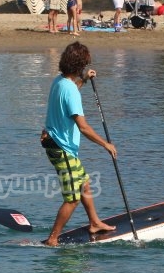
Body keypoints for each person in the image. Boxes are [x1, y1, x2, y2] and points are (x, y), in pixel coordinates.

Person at [41, 42, 117, 246]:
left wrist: (84, 79)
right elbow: (83, 127)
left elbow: (71, 93)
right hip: (61, 148)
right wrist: (105, 144)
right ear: (79, 65)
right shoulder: (70, 90)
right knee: (72, 198)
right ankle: (53, 239)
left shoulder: (60, 82)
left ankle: (94, 222)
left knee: (84, 182)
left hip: (56, 143)